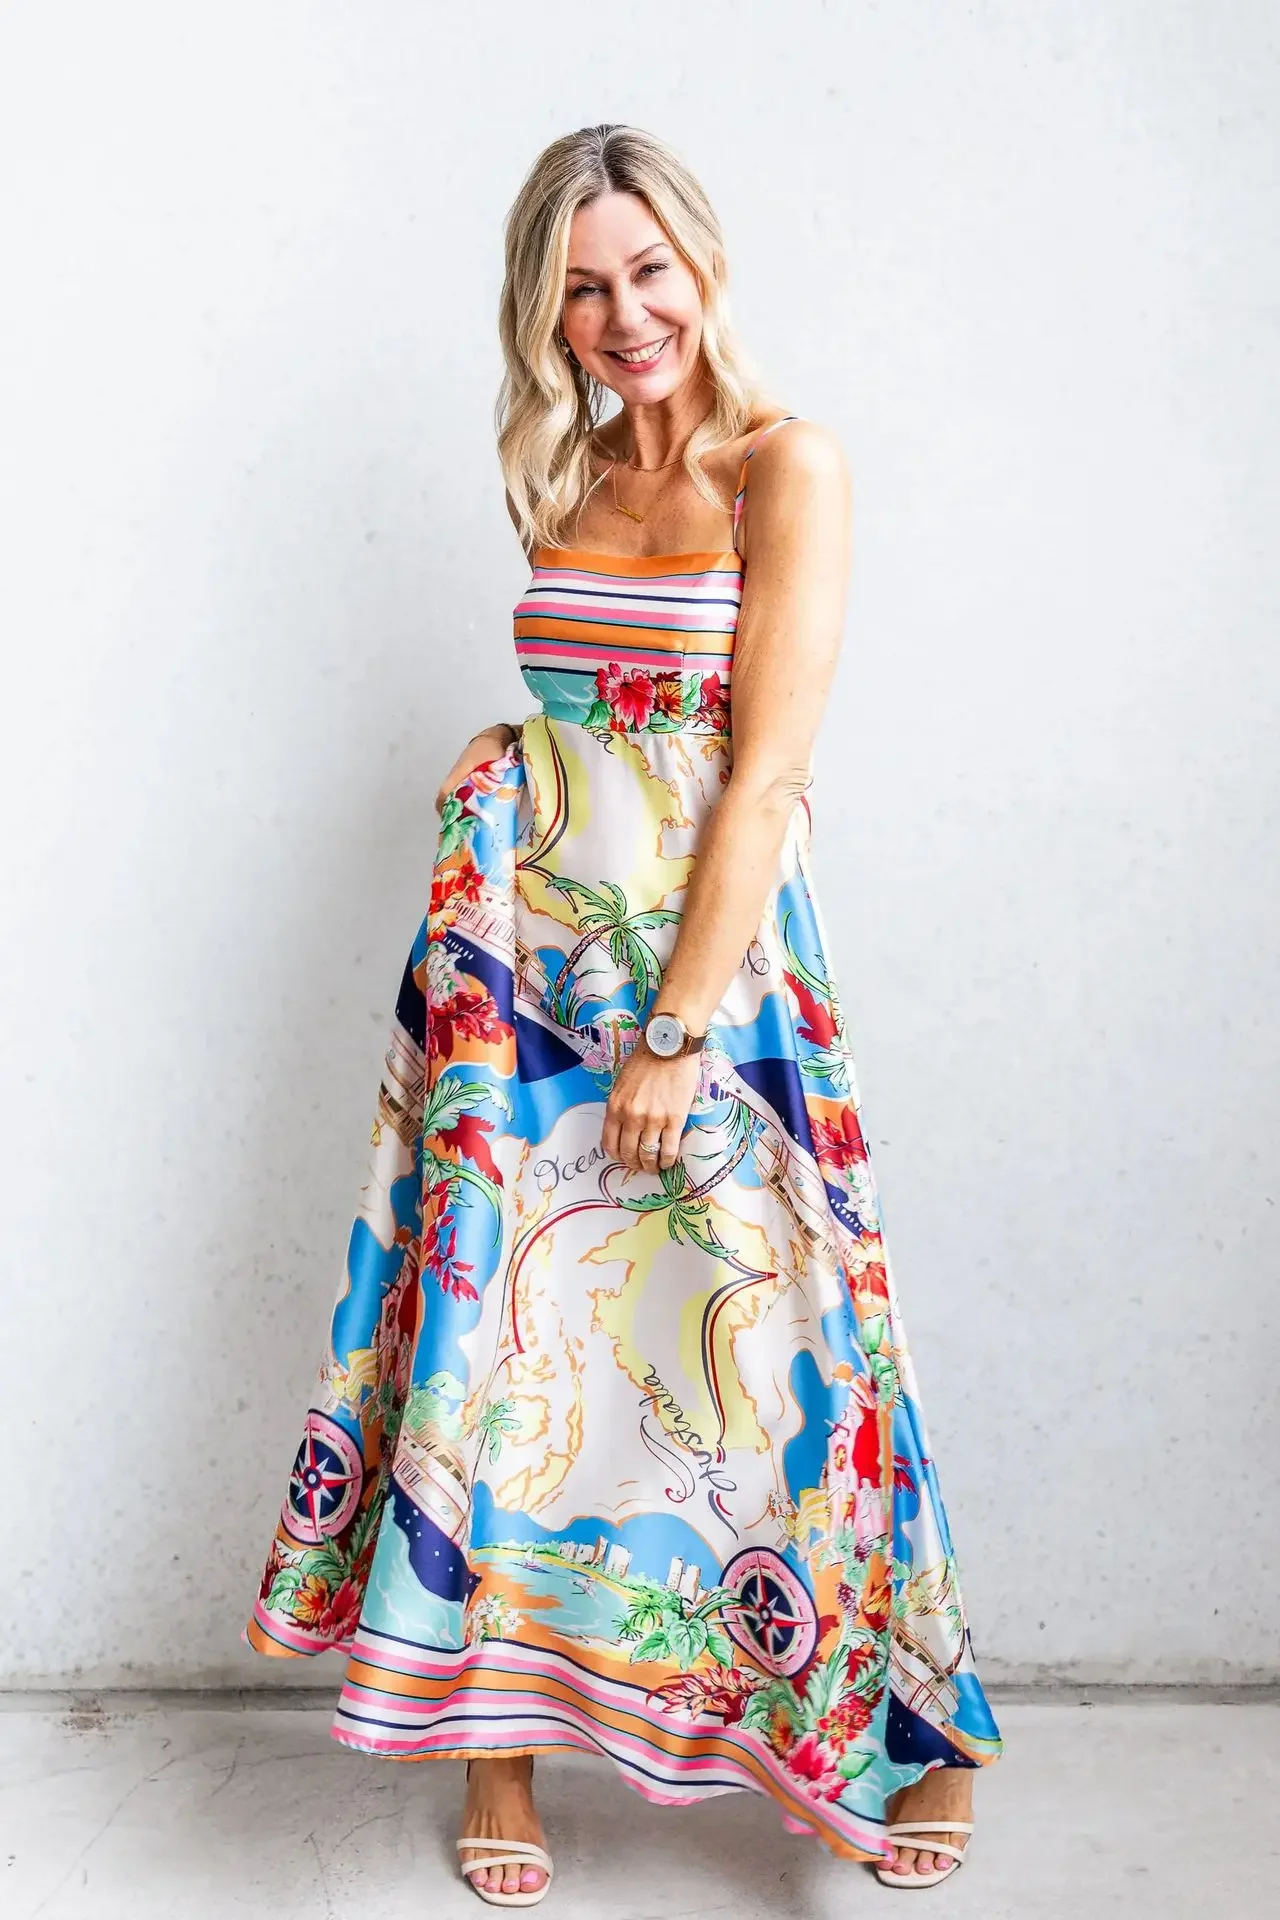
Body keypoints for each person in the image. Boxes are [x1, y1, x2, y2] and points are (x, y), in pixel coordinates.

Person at [245, 122, 1003, 1905]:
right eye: (583, 288)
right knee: (504, 1351)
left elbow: (763, 777)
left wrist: (677, 1030)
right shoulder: (564, 473)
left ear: (703, 264)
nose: (624, 314)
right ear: (547, 311)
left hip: (713, 991)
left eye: (648, 270)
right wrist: (515, 752)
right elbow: (602, 716)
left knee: (797, 1348)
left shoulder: (783, 466)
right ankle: (493, 1747)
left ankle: (916, 1731)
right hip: (521, 979)